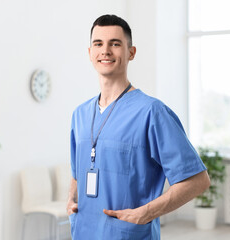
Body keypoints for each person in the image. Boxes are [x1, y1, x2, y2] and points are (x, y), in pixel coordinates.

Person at [67, 14, 210, 239]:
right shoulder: (80, 115)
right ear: (90, 53)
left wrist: (145, 213)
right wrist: (71, 199)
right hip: (84, 232)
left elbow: (197, 180)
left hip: (127, 234)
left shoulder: (152, 112)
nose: (105, 51)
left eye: (115, 44)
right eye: (98, 44)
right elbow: (78, 172)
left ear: (131, 52)